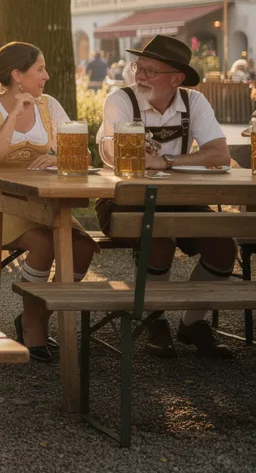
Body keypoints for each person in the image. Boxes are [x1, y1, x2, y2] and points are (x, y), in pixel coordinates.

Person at [96, 34, 234, 359]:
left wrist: (167, 161)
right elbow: (116, 154)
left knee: (224, 247)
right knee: (158, 238)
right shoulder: (120, 100)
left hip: (179, 197)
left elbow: (220, 154)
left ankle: (192, 323)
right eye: (138, 67)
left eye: (151, 71)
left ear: (177, 79)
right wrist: (184, 160)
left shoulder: (193, 102)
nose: (140, 76)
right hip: (124, 200)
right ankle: (153, 319)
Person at [0, 42, 99, 362]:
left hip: (40, 199)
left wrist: (58, 159)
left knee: (83, 246)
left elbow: (83, 156)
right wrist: (13, 114)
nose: (46, 76)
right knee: (44, 242)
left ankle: (42, 314)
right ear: (17, 75)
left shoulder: (49, 105)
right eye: (40, 69)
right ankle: (30, 323)